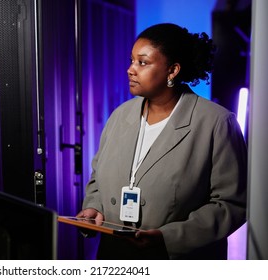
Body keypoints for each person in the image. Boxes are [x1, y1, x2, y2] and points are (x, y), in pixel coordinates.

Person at [76, 23, 247, 260]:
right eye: (131, 60)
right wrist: (94, 207)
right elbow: (97, 177)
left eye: (142, 62)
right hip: (115, 256)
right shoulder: (119, 115)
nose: (130, 70)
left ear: (173, 70)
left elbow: (231, 205)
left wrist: (168, 238)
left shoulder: (217, 123)